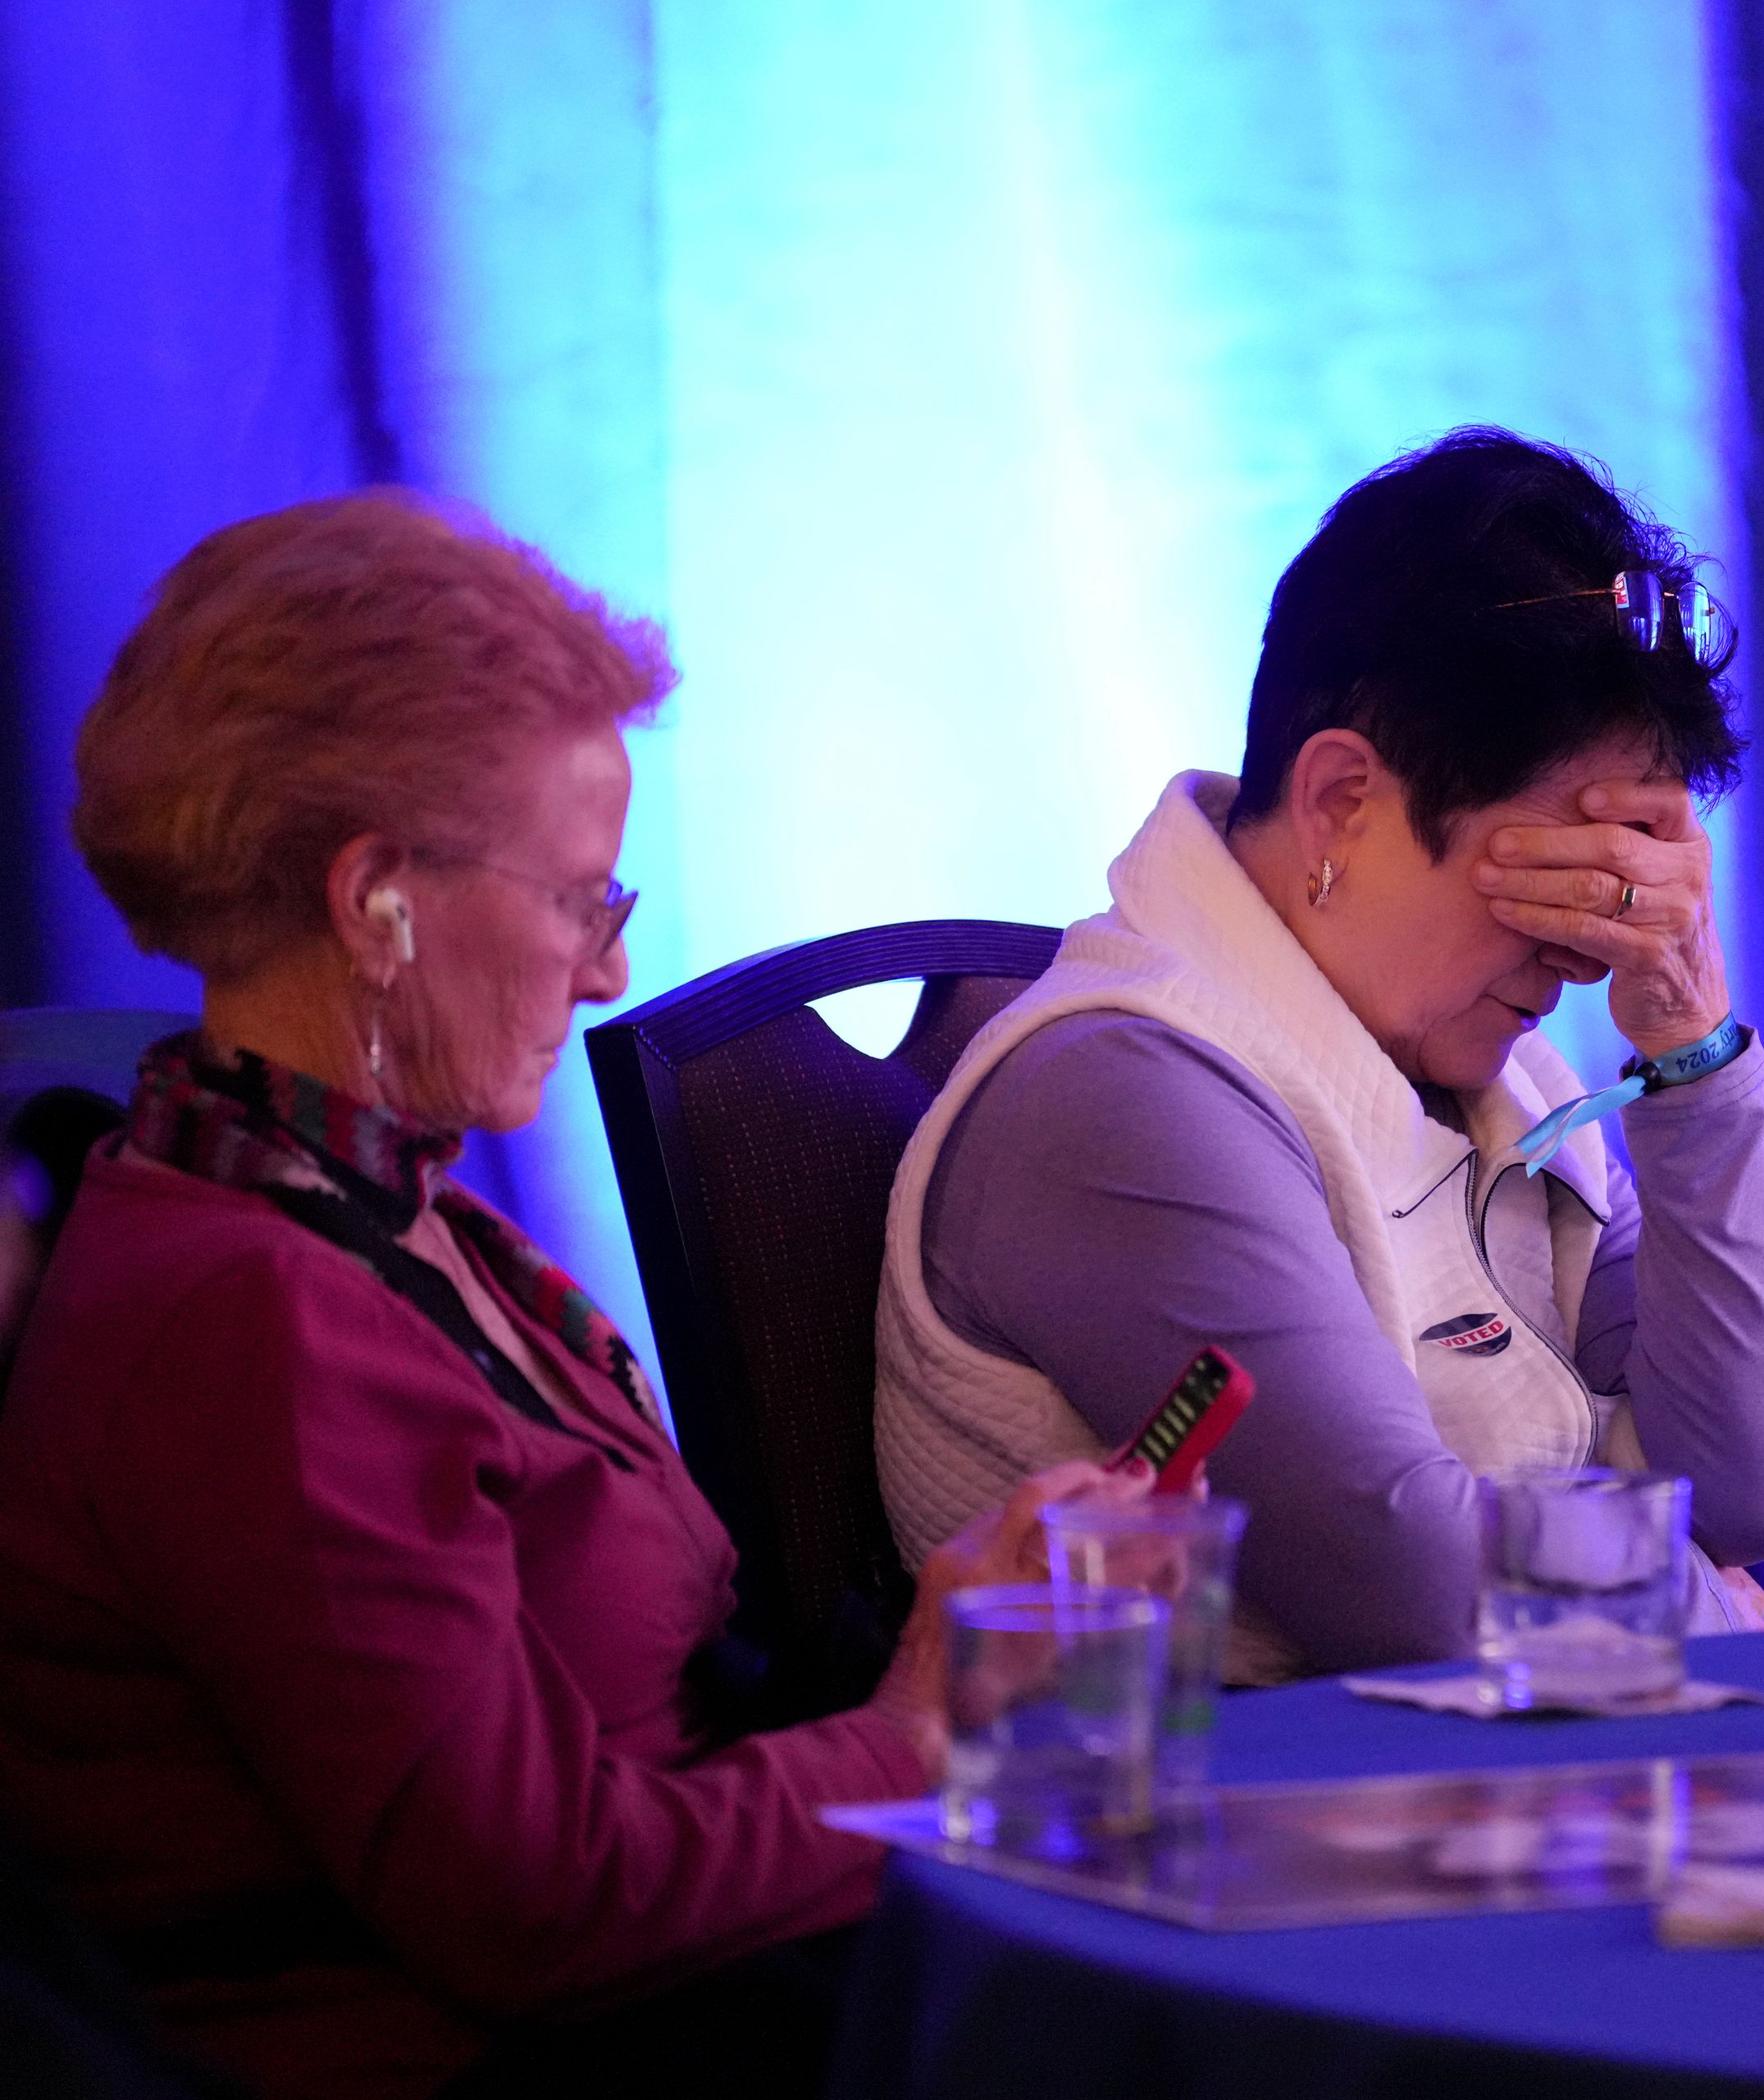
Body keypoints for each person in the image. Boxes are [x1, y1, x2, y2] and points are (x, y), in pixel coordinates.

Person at [0, 491, 1133, 2100]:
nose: (605, 971)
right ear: (375, 898)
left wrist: (952, 1643)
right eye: (577, 898)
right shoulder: (247, 1312)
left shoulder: (377, 1209)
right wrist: (915, 1735)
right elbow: (534, 1909)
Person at [877, 428, 1764, 1677]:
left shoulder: (1495, 1078)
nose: (1593, 954)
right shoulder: (1121, 1094)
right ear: (1341, 800)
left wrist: (1694, 1049)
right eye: (1558, 879)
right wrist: (1700, 1606)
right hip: (1184, 1840)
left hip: (1487, 1815)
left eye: (1630, 884)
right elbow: (1419, 1595)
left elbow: (1749, 1490)